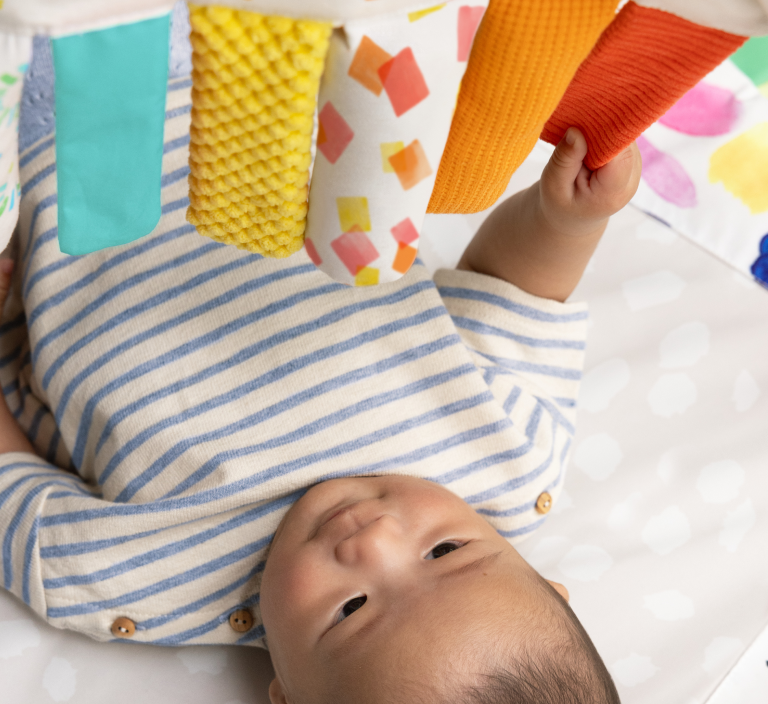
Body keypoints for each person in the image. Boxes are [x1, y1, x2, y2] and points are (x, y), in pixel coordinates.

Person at [0, 125, 640, 703]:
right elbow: (509, 291)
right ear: (545, 584)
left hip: (41, 163)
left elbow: (15, 492)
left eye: (351, 609)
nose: (373, 539)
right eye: (444, 551)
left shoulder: (145, 586)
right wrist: (564, 223)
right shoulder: (509, 458)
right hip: (254, 113)